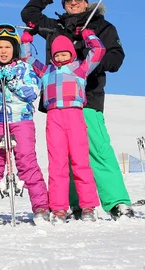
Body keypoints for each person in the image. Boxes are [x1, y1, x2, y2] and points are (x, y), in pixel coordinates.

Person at [21, 0, 133, 220]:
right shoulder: (55, 28)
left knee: (97, 150)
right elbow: (28, 15)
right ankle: (74, 203)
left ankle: (117, 202)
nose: (73, 2)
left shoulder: (101, 25)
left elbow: (115, 58)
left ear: (86, 1)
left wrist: (84, 66)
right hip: (58, 104)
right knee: (63, 156)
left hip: (88, 97)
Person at [20, 29, 104, 223]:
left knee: (80, 162)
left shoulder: (80, 69)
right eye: (56, 54)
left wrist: (88, 35)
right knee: (57, 164)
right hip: (54, 117)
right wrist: (26, 39)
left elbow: (98, 50)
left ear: (72, 53)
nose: (60, 56)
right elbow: (27, 58)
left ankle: (88, 206)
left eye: (64, 53)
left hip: (74, 115)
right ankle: (58, 208)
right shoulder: (46, 70)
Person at [0, 24, 50, 226]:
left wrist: (13, 81)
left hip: (21, 121)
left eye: (7, 47)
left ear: (14, 49)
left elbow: (33, 92)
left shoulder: (24, 68)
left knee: (27, 162)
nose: (3, 51)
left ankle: (41, 207)